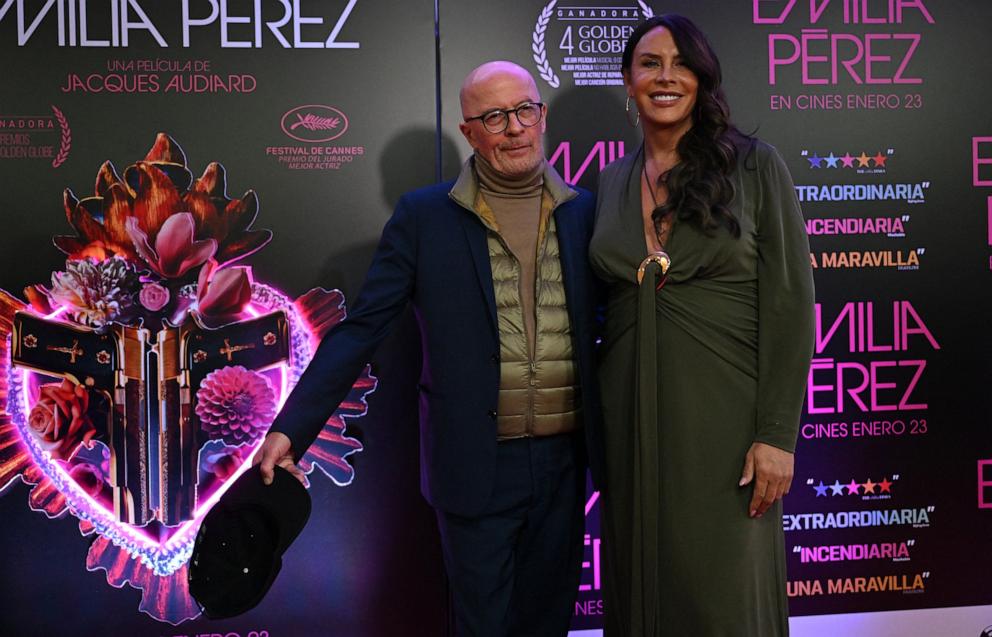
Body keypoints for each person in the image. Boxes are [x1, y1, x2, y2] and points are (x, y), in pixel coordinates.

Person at [254, 61, 604, 637]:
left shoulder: (586, 212)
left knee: (548, 624)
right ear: (469, 131)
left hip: (566, 466)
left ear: (541, 117)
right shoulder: (424, 217)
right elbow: (362, 329)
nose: (515, 128)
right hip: (474, 466)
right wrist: (291, 428)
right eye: (495, 117)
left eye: (525, 111)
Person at [589, 14, 815, 636]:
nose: (666, 77)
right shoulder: (609, 182)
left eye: (681, 64)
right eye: (649, 63)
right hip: (631, 421)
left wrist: (777, 435)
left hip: (728, 428)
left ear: (702, 78)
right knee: (641, 589)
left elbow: (792, 307)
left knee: (724, 597)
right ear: (628, 82)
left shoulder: (754, 168)